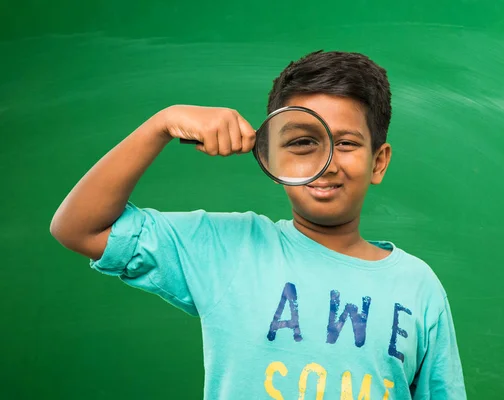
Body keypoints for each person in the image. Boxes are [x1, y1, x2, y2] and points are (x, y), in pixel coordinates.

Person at [50, 50, 466, 399]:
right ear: (273, 158)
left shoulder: (418, 285)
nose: (327, 163)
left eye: (346, 143)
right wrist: (162, 123)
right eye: (302, 142)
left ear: (378, 162)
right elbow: (79, 228)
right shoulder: (228, 247)